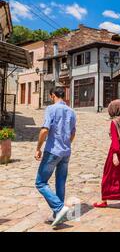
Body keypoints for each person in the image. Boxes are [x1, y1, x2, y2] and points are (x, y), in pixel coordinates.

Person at [35, 87, 76, 227]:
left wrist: (38, 148)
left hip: (53, 151)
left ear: (53, 95)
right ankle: (56, 215)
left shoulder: (51, 109)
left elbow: (45, 130)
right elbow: (72, 134)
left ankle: (59, 209)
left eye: (51, 96)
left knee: (40, 182)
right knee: (60, 182)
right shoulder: (72, 111)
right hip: (66, 152)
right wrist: (65, 144)